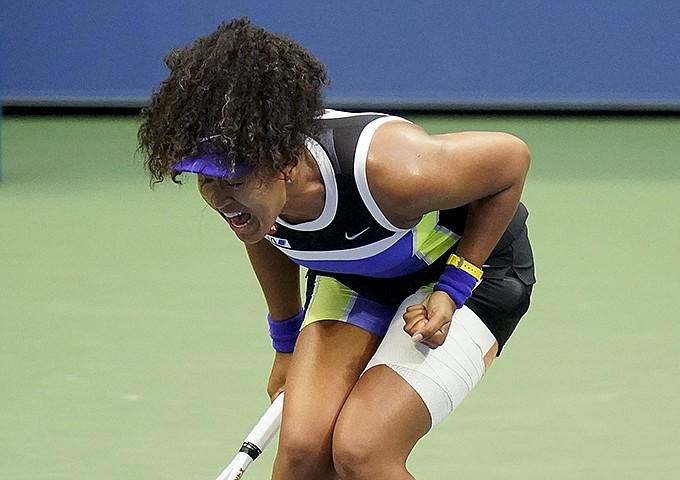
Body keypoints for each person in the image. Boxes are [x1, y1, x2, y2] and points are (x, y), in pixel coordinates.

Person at [138, 17, 535, 480]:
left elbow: (511, 161)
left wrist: (454, 284)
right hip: (356, 278)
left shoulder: (393, 171)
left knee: (362, 450)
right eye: (205, 181)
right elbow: (266, 238)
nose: (221, 200)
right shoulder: (255, 203)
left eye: (235, 181)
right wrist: (285, 346)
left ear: (284, 161)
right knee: (303, 453)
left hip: (469, 271)